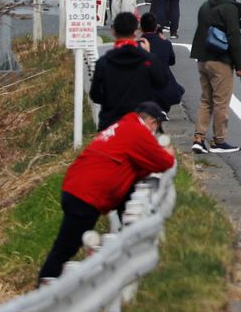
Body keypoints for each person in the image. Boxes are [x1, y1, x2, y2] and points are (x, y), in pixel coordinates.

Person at [37, 103, 174, 284]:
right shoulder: (137, 132)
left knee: (69, 241)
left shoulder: (124, 126)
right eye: (156, 125)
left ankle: (51, 280)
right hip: (86, 194)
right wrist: (169, 153)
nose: (156, 130)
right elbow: (163, 161)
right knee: (66, 246)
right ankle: (46, 284)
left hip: (78, 187)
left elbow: (134, 164)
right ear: (151, 121)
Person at [190, 0, 241, 154]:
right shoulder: (229, 8)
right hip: (220, 60)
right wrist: (239, 65)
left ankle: (198, 138)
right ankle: (219, 140)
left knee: (206, 99)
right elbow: (234, 37)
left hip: (202, 58)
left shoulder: (206, 5)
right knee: (221, 101)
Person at [90, 11, 169, 132]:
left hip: (111, 124)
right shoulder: (147, 60)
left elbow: (95, 95)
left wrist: (110, 98)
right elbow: (162, 82)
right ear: (136, 32)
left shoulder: (104, 62)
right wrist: (148, 53)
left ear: (113, 31)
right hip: (140, 124)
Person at [140, 12, 186, 118]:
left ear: (141, 28)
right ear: (156, 27)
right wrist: (165, 40)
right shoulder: (165, 44)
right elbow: (171, 61)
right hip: (166, 88)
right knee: (179, 88)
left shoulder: (138, 45)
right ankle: (162, 110)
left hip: (144, 90)